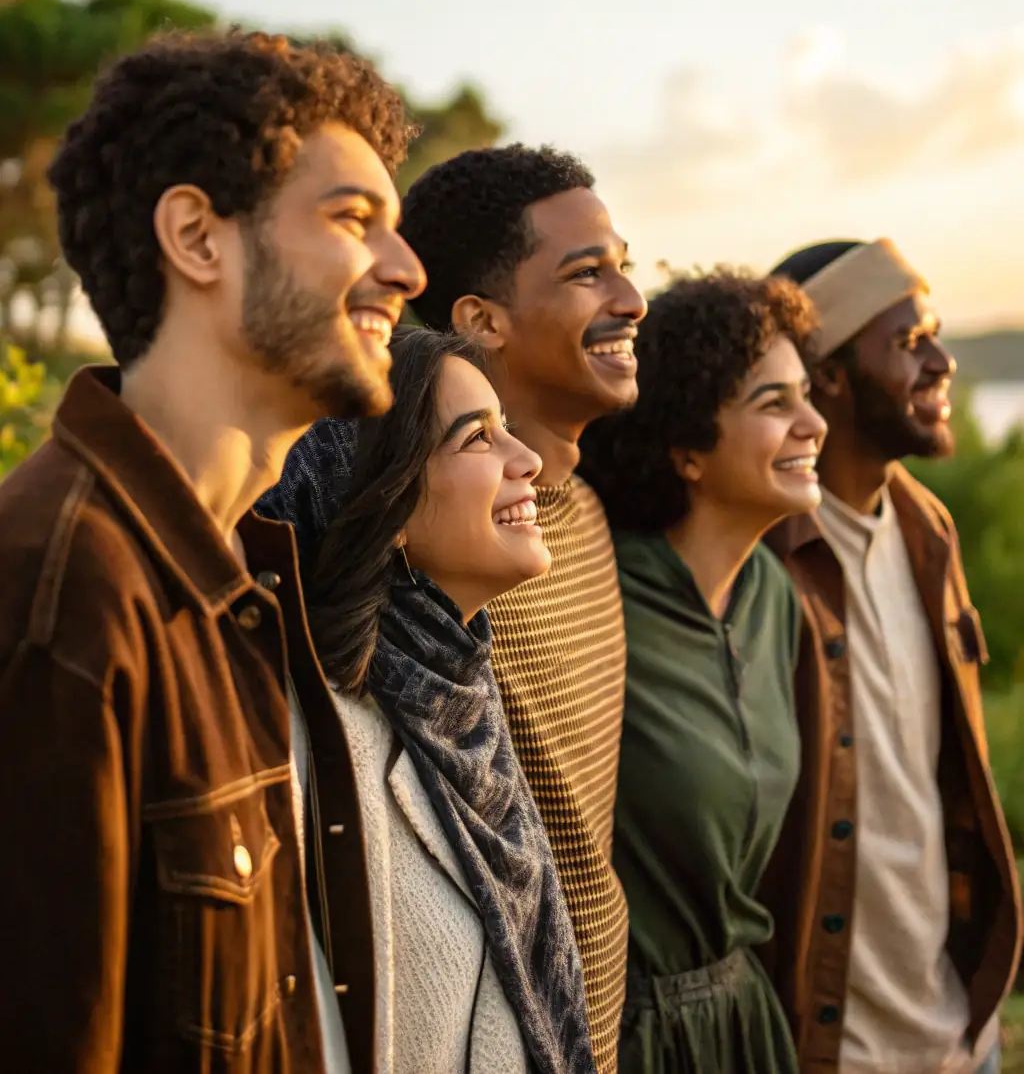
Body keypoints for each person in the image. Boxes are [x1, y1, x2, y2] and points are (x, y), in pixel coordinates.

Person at [0, 31, 426, 1073]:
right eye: (352, 219)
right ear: (198, 237)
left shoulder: (236, 580)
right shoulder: (61, 597)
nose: (406, 269)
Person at [259, 325, 596, 1074]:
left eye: (506, 426)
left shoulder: (460, 692)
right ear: (389, 506)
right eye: (478, 437)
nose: (528, 460)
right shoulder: (308, 738)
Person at [397, 144, 648, 1074]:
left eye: (624, 264)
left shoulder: (586, 518)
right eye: (587, 274)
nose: (631, 298)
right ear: (480, 321)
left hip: (599, 1035)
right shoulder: (442, 549)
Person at [762, 238, 1022, 1074]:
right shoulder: (758, 557)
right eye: (910, 342)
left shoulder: (927, 530)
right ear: (828, 375)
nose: (942, 361)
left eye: (934, 336)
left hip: (960, 1033)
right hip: (833, 1052)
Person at [577, 269, 826, 1074]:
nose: (814, 423)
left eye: (807, 395)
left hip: (746, 1024)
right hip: (626, 1034)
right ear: (687, 448)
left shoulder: (773, 598)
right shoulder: (597, 592)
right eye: (774, 403)